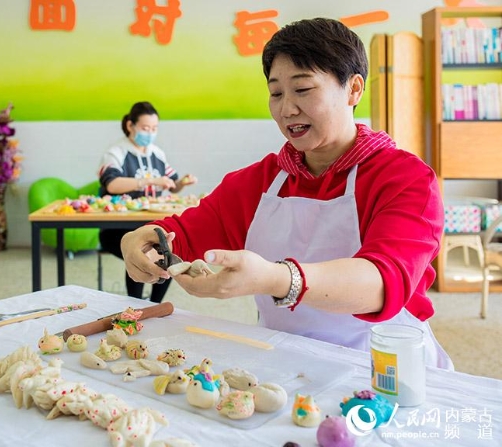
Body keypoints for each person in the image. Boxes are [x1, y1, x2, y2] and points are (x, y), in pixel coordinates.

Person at [120, 19, 453, 369]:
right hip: (283, 359)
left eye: (303, 89)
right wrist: (141, 241)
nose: (286, 109)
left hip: (382, 364)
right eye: (276, 93)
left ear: (354, 89)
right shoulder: (258, 182)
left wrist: (275, 279)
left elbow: (380, 285)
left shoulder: (405, 178)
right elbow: (182, 235)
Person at [98, 101, 197, 303]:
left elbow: (171, 185)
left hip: (152, 224)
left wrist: (181, 183)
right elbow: (112, 185)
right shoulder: (116, 152)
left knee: (168, 249)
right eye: (145, 128)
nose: (150, 133)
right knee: (143, 249)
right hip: (117, 228)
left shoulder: (157, 153)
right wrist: (149, 180)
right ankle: (136, 305)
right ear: (130, 126)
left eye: (154, 129)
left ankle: (154, 305)